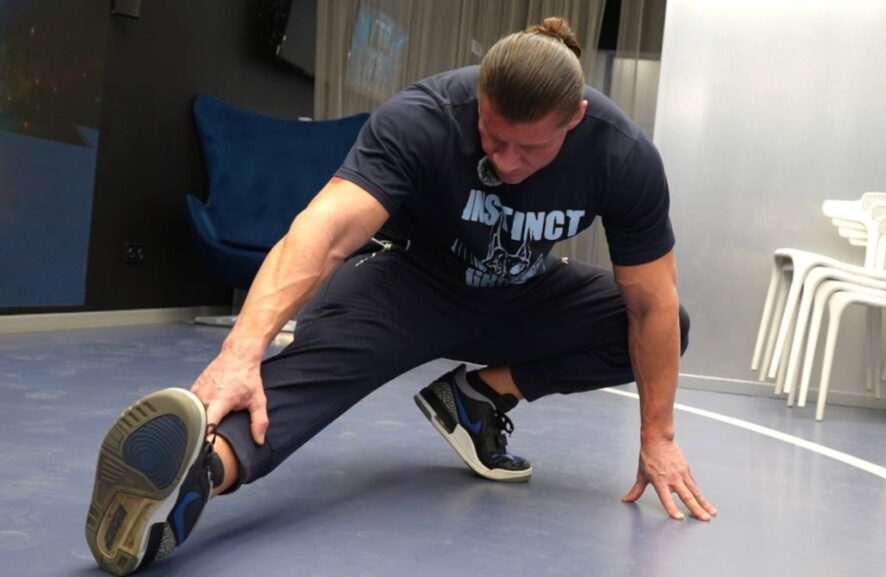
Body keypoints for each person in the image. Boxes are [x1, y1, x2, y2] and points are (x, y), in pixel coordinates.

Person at [84, 17, 716, 576]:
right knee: (313, 376)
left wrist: (658, 435)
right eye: (493, 136)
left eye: (530, 148)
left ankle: (480, 396)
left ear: (573, 118)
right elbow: (325, 232)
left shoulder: (621, 154)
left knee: (663, 326)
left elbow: (652, 304)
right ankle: (193, 481)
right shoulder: (425, 116)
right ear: (481, 99)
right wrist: (239, 353)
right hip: (408, 284)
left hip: (522, 291)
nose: (507, 161)